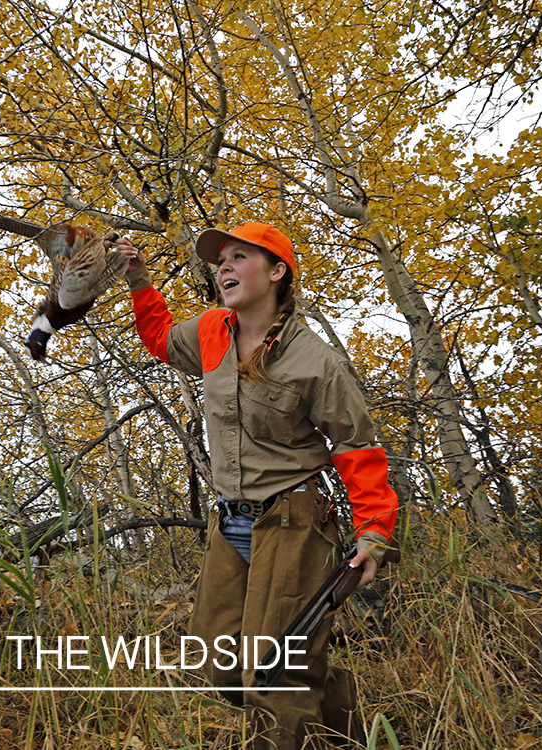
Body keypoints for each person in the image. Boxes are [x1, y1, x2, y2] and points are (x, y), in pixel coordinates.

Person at [116, 223, 399, 750]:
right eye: (219, 260)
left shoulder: (316, 361)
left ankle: (304, 714)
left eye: (238, 257)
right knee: (221, 664)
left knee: (272, 676)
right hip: (232, 526)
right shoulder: (210, 332)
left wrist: (373, 534)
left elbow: (357, 453)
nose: (222, 267)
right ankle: (351, 735)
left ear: (276, 272)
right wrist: (138, 280)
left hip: (293, 522)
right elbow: (159, 338)